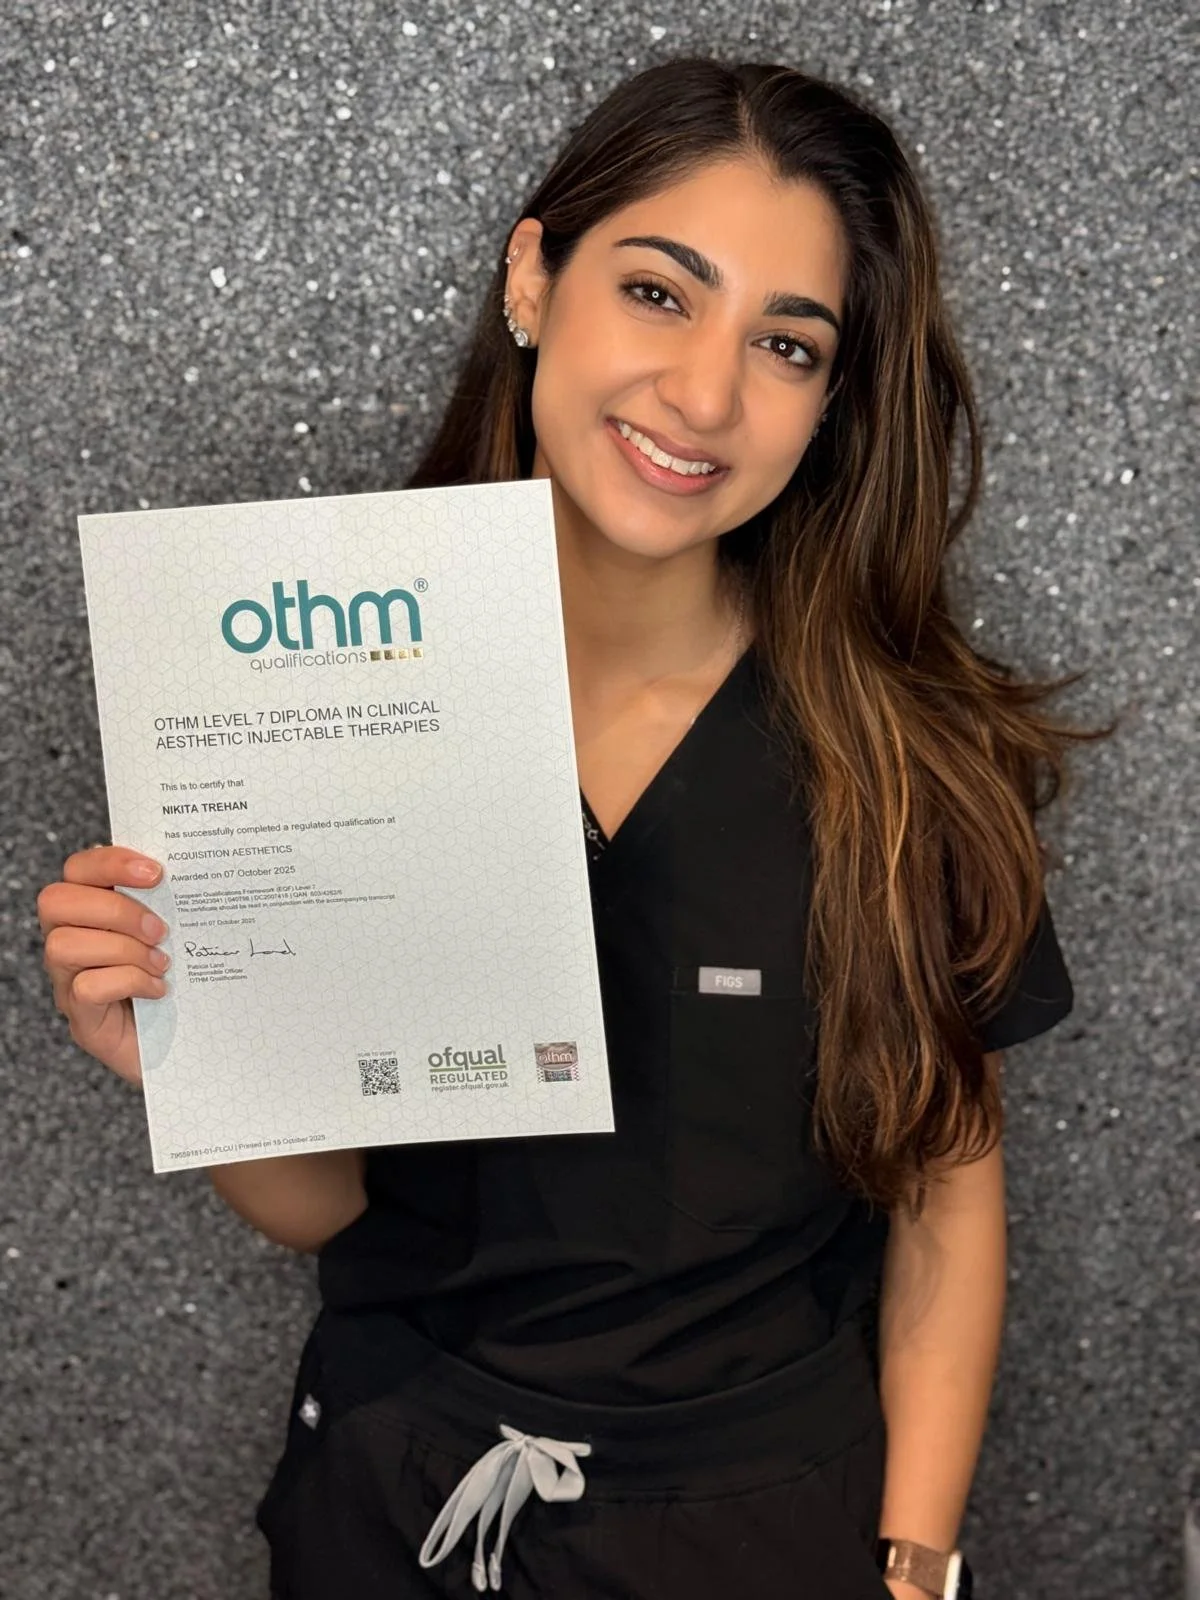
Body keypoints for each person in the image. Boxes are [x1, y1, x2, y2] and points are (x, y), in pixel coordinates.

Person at [36, 56, 1113, 1600]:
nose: (705, 396)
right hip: (400, 1502)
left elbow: (948, 1198)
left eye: (787, 344)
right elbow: (330, 1208)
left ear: (833, 399)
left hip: (762, 1522)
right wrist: (193, 1055)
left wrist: (916, 1564)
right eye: (659, 294)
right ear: (533, 280)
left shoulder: (904, 765)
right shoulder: (323, 693)